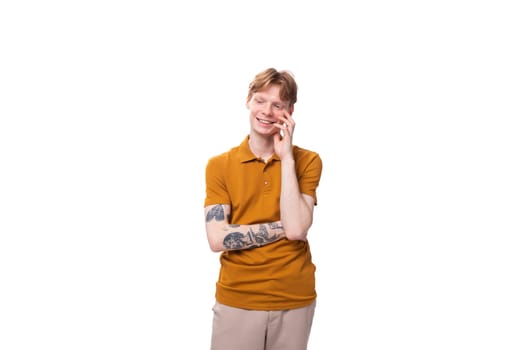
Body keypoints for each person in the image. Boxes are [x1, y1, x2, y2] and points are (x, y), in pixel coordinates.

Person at [203, 67, 323, 350]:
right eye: (260, 100)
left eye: (277, 105)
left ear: (290, 111)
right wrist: (284, 228)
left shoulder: (307, 161)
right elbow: (217, 238)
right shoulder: (219, 166)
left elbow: (297, 229)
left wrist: (287, 159)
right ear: (248, 100)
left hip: (294, 298)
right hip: (238, 298)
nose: (267, 111)